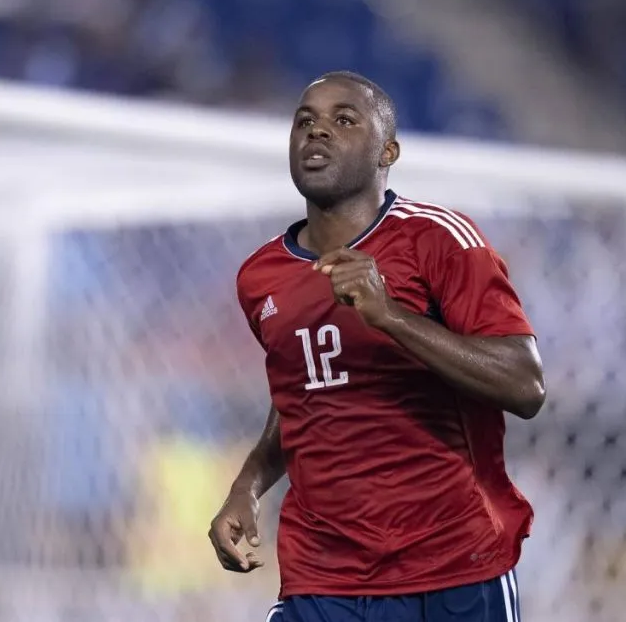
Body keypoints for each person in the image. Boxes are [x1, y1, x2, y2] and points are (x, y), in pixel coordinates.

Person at [208, 71, 546, 622]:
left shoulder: (439, 239)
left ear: (387, 150)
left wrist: (391, 317)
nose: (317, 132)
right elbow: (300, 393)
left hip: (451, 569)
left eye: (343, 120)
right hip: (322, 575)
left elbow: (526, 385)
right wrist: (247, 486)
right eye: (304, 122)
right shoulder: (260, 276)